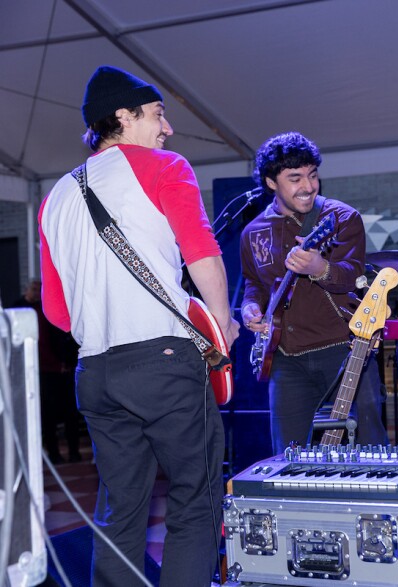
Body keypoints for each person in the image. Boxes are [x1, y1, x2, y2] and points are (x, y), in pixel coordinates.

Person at [39, 65, 240, 587]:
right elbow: (202, 255)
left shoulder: (55, 197)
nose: (167, 127)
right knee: (195, 498)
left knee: (120, 508)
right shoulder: (163, 166)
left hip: (95, 373)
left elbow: (57, 315)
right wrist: (221, 327)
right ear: (124, 117)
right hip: (164, 364)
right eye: (157, 114)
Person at [240, 132, 387, 453]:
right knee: (289, 455)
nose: (308, 186)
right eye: (295, 178)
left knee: (368, 446)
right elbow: (254, 283)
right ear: (270, 182)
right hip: (286, 359)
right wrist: (250, 308)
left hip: (345, 350)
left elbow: (352, 276)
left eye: (312, 175)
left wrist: (320, 269)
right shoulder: (252, 233)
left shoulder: (341, 218)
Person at [13, 279, 82, 464]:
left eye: (40, 289)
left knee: (71, 412)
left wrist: (67, 361)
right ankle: (53, 453)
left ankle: (74, 451)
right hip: (41, 371)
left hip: (64, 368)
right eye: (34, 288)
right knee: (47, 415)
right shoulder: (18, 310)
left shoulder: (48, 309)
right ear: (26, 289)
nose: (37, 292)